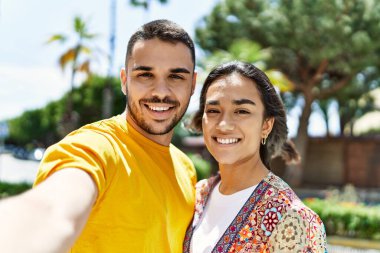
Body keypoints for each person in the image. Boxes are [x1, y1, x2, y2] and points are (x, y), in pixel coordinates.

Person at [0, 19, 197, 253]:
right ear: (125, 81)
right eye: (146, 75)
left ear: (193, 84)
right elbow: (52, 212)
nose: (161, 92)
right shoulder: (93, 147)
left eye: (176, 77)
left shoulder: (185, 168)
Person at [183, 61, 327, 253]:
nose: (224, 125)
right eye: (213, 111)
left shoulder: (293, 219)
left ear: (266, 125)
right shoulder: (198, 195)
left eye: (242, 111)